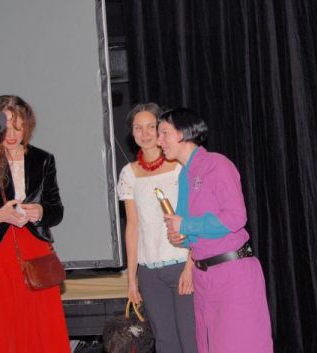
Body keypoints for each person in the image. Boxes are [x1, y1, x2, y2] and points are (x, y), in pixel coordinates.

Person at [0, 95, 70, 353]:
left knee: (41, 334)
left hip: (34, 257)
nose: (12, 135)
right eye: (6, 127)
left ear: (28, 126)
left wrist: (40, 211)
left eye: (18, 127)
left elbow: (56, 210)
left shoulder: (43, 159)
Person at [158, 108, 273, 353]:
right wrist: (181, 237)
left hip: (232, 273)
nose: (159, 141)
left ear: (183, 133)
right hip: (204, 277)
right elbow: (192, 232)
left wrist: (185, 225)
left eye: (164, 133)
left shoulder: (216, 165)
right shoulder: (185, 175)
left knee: (241, 346)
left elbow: (235, 217)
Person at [117, 103, 197, 353]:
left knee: (190, 340)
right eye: (138, 128)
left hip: (181, 264)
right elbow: (132, 227)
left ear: (162, 129)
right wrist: (132, 279)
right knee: (164, 341)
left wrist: (191, 265)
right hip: (149, 271)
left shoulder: (180, 167)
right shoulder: (128, 173)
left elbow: (193, 217)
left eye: (151, 127)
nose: (145, 133)